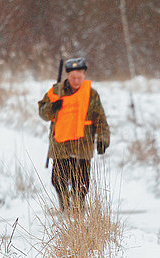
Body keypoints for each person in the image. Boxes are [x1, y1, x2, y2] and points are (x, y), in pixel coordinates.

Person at [38, 57, 110, 212]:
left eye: (79, 77)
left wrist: (103, 140)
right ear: (67, 76)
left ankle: (78, 211)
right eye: (73, 78)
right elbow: (43, 114)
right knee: (58, 181)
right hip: (60, 145)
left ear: (84, 75)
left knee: (82, 183)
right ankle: (65, 208)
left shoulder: (92, 95)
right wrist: (52, 106)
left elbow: (101, 119)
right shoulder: (55, 91)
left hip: (82, 146)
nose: (76, 81)